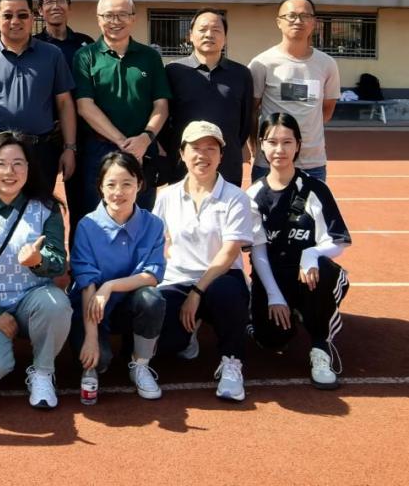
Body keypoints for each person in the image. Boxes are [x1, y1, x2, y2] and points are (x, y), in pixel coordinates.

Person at [0, 131, 70, 409]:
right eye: (1, 164)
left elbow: (58, 260)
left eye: (18, 163)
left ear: (29, 167)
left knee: (57, 305)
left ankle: (43, 372)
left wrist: (39, 261)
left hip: (31, 298)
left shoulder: (46, 207)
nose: (10, 172)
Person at [247, 113, 351, 389]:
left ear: (298, 145)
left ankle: (321, 345)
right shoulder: (253, 195)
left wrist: (312, 254)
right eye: (272, 142)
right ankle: (288, 311)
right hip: (274, 278)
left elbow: (338, 241)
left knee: (324, 270)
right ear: (261, 145)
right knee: (272, 341)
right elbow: (257, 252)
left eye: (287, 142)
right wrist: (274, 296)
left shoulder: (315, 189)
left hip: (309, 276)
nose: (279, 149)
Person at [153, 121, 253, 402]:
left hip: (221, 278)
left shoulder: (235, 197)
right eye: (195, 148)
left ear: (221, 156)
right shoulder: (167, 196)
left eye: (211, 148)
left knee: (226, 293)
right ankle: (188, 335)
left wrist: (196, 292)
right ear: (182, 153)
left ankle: (232, 362)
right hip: (178, 280)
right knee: (166, 341)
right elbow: (157, 241)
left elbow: (229, 252)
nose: (203, 155)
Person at [0, 0, 77, 201]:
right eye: (7, 15)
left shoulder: (52, 55)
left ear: (32, 17)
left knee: (38, 208)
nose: (15, 21)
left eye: (22, 15)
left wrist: (69, 148)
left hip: (40, 151)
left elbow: (65, 103)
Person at [70, 151, 166, 401]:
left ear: (139, 185)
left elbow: (152, 275)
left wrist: (110, 286)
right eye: (111, 184)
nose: (118, 192)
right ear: (100, 187)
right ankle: (92, 363)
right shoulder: (87, 226)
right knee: (99, 361)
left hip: (129, 306)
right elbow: (87, 283)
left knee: (152, 299)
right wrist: (91, 339)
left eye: (127, 184)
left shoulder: (153, 224)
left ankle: (141, 364)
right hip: (92, 308)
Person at [74, 0, 170, 212]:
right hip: (100, 149)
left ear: (133, 18)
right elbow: (84, 105)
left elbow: (161, 105)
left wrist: (145, 138)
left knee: (141, 213)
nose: (115, 21)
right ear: (98, 19)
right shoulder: (85, 56)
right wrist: (123, 143)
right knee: (97, 215)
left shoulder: (150, 57)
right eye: (108, 15)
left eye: (122, 15)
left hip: (143, 149)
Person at [248, 0, 340, 184]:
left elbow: (326, 111)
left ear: (314, 22)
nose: (298, 21)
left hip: (312, 163)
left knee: (311, 205)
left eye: (305, 16)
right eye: (291, 16)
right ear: (279, 22)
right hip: (270, 162)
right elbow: (251, 110)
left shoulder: (327, 64)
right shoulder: (262, 63)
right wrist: (255, 149)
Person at [164, 8, 252, 187]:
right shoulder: (173, 71)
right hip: (183, 165)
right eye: (202, 29)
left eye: (216, 30)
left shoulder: (241, 74)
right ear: (190, 35)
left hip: (228, 165)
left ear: (225, 38)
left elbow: (245, 123)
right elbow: (165, 119)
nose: (209, 35)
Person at [36, 0, 94, 240]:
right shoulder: (33, 45)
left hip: (81, 134)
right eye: (49, 2)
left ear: (69, 7)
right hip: (45, 133)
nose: (55, 6)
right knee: (39, 199)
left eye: (60, 1)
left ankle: (79, 259)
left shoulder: (86, 44)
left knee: (82, 201)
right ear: (40, 10)